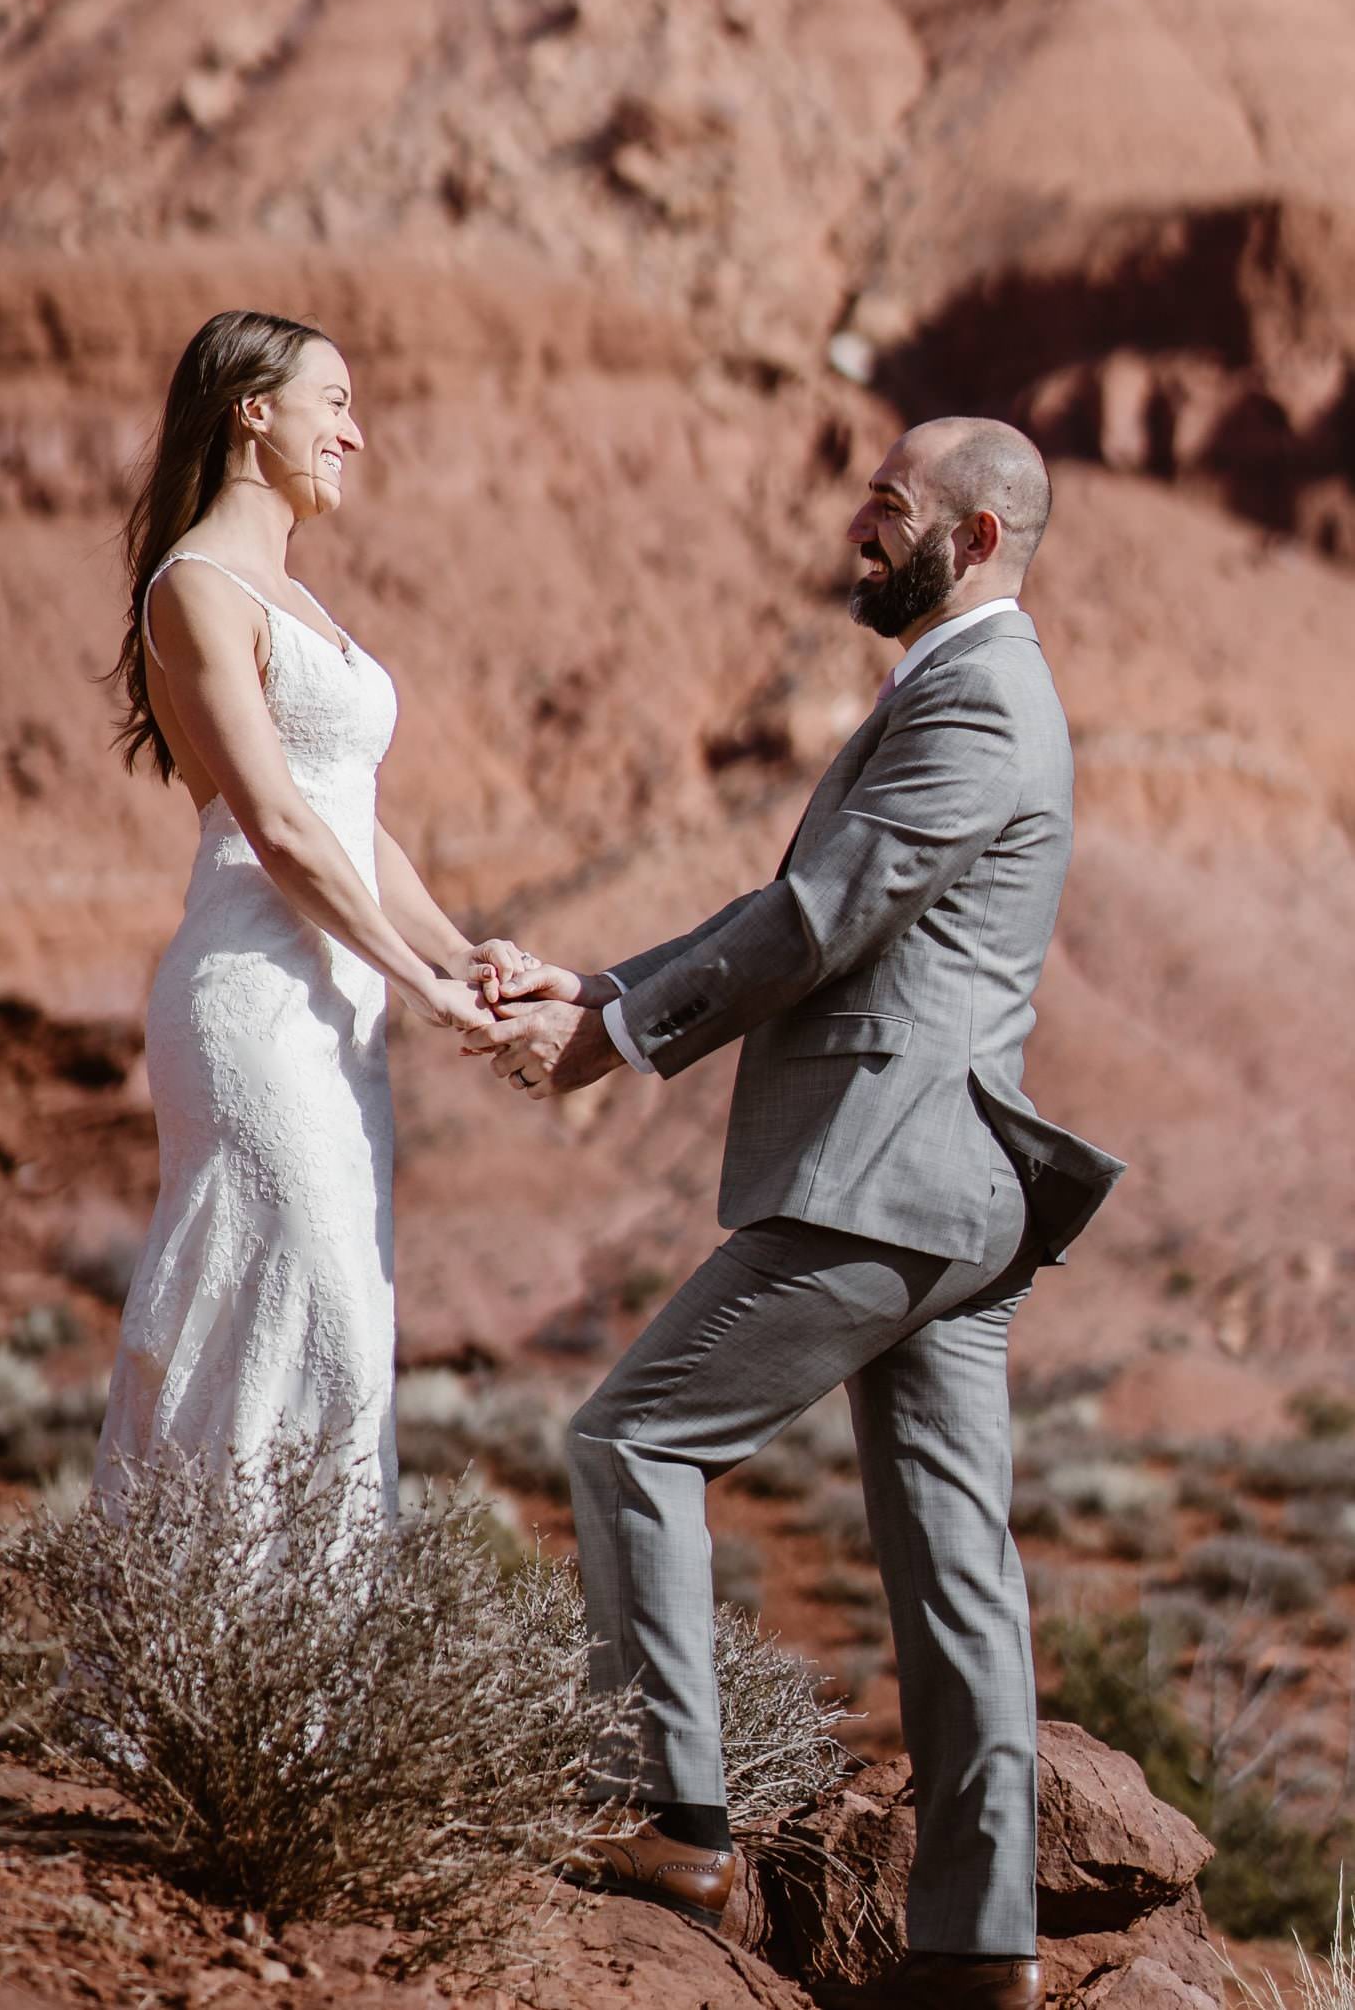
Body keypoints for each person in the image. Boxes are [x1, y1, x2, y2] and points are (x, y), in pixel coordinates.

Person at [466, 418, 1126, 2010]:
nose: (854, 525)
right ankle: (978, 1947)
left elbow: (824, 919)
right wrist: (608, 977)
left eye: (886, 508)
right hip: (952, 1195)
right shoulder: (962, 690)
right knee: (957, 1560)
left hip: (887, 1179)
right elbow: (800, 904)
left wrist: (614, 1042)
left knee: (634, 1440)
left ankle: (672, 1817)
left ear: (972, 540)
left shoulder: (983, 704)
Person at [94, 309, 530, 1524]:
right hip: (254, 996)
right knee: (299, 1299)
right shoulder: (195, 587)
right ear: (252, 410)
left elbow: (354, 822)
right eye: (331, 402)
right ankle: (209, 1665)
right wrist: (420, 980)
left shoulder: (299, 599)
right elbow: (278, 826)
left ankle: (309, 1698)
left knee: (346, 1322)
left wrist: (457, 950)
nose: (354, 430)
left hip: (337, 1005)